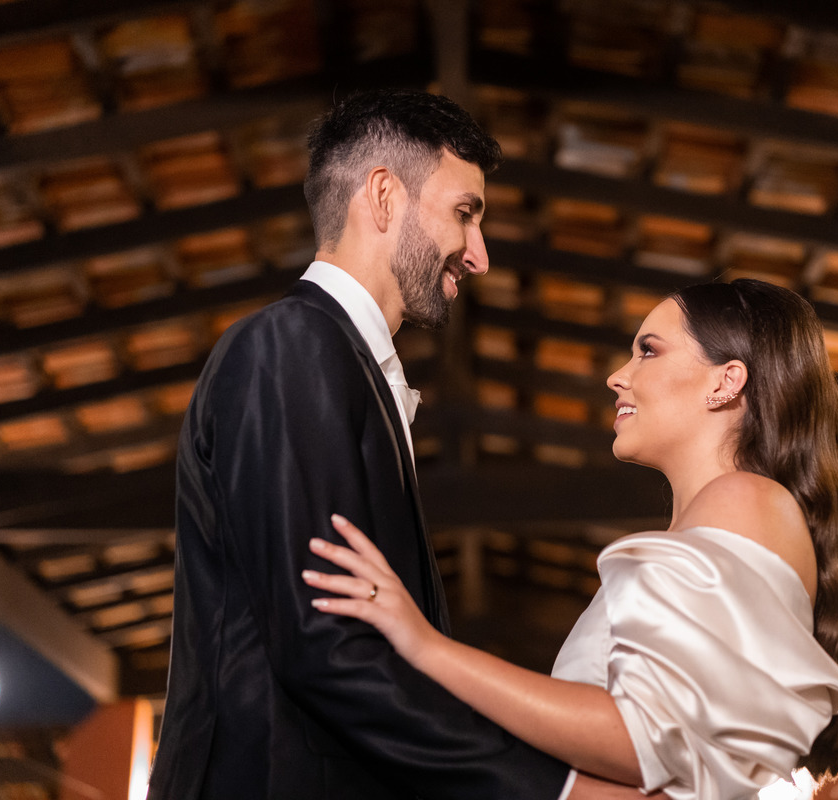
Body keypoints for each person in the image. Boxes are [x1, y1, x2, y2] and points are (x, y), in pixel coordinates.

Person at [147, 88, 623, 799]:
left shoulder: (342, 363)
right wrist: (556, 790)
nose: (480, 256)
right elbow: (326, 647)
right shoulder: (292, 344)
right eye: (466, 214)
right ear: (382, 196)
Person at [303, 278, 838, 799]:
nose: (617, 376)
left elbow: (642, 739)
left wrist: (425, 647)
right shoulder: (724, 520)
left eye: (648, 350)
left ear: (726, 383)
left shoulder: (743, 500)